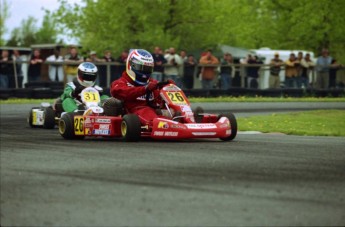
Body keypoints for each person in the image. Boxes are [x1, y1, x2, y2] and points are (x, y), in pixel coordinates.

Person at [110, 49, 174, 126]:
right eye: (141, 68)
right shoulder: (120, 82)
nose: (144, 71)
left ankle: (183, 120)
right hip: (135, 113)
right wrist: (144, 89)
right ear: (131, 65)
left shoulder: (152, 83)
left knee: (173, 113)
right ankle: (168, 126)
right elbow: (121, 92)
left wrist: (169, 87)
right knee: (148, 113)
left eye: (147, 69)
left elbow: (158, 90)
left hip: (154, 112)